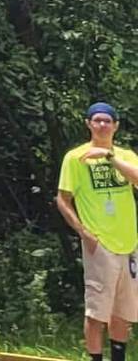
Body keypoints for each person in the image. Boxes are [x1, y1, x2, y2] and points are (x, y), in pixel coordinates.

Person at [57, 101, 138, 361]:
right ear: (88, 124)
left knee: (123, 311)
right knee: (97, 311)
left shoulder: (125, 156)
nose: (102, 125)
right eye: (97, 120)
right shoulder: (75, 158)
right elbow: (62, 199)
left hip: (129, 242)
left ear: (115, 126)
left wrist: (109, 157)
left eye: (107, 121)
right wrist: (83, 232)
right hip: (99, 242)